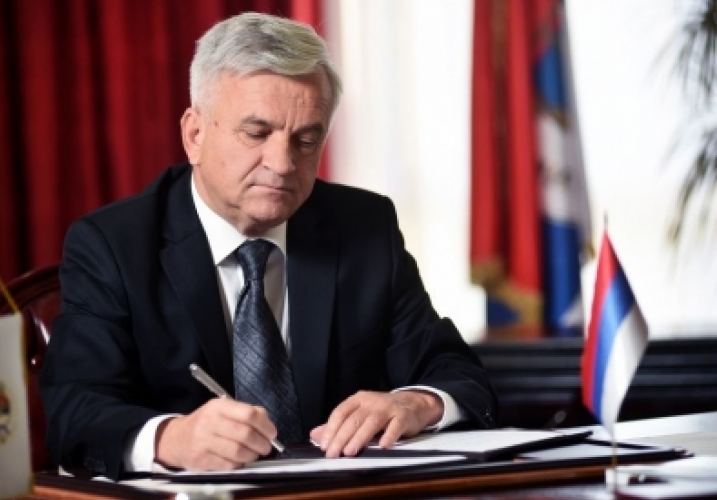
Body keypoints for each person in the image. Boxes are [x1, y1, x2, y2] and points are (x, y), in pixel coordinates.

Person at [40, 12, 497, 480]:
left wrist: (417, 403)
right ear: (195, 135)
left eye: (306, 140)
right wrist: (172, 439)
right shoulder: (113, 246)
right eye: (256, 134)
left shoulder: (364, 227)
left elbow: (458, 374)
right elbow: (76, 413)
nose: (282, 164)